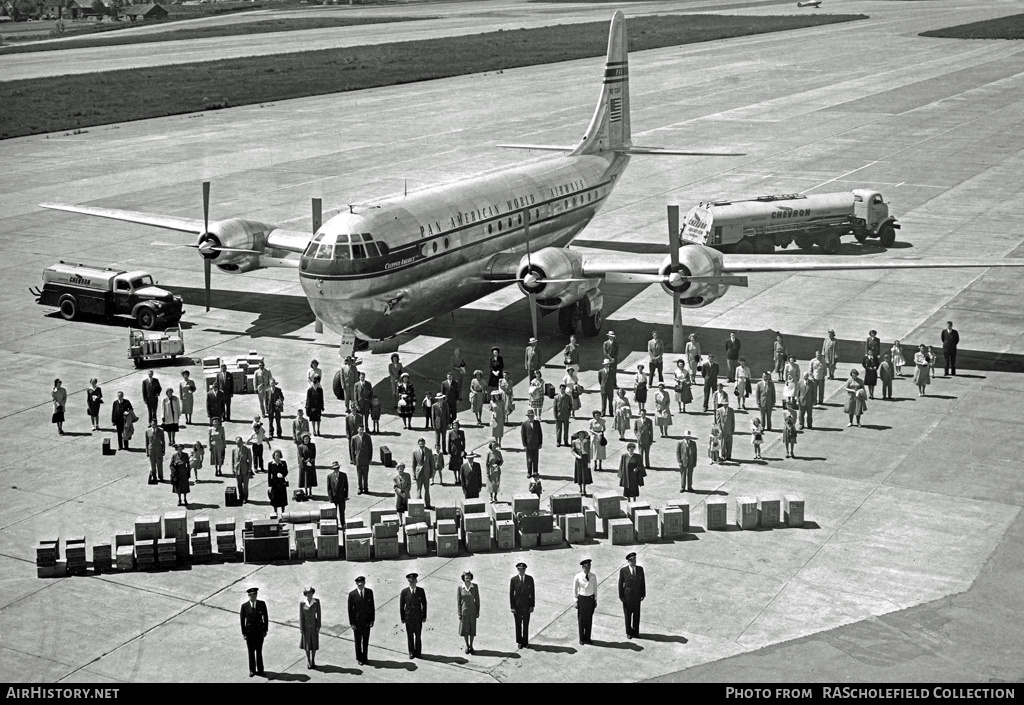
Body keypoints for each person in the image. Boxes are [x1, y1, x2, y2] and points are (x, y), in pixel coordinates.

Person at [240, 587, 268, 677]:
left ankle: (260, 670)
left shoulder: (262, 604)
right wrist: (244, 633)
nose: (253, 597)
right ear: (249, 596)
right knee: (251, 652)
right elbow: (242, 621)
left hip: (259, 632)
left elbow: (265, 618)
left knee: (259, 652)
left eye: (255, 595)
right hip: (250, 633)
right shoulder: (244, 606)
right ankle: (252, 670)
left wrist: (265, 630)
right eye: (252, 595)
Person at [618, 552, 646, 639]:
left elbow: (642, 582)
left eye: (635, 560)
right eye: (632, 560)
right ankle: (629, 632)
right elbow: (620, 584)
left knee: (637, 614)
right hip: (627, 596)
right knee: (628, 614)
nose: (634, 562)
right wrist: (621, 596)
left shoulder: (640, 569)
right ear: (629, 562)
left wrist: (643, 594)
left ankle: (636, 632)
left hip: (637, 596)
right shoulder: (623, 571)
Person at [348, 576, 375, 666]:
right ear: (356, 584)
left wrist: (372, 620)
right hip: (357, 622)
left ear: (364, 583)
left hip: (366, 621)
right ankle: (359, 658)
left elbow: (372, 606)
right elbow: (350, 610)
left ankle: (365, 657)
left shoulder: (369, 592)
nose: (360, 586)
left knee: (366, 640)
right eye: (359, 585)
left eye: (362, 584)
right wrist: (352, 623)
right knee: (358, 641)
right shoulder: (352, 594)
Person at [400, 573, 427, 659]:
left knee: (418, 636)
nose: (412, 583)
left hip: (418, 617)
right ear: (408, 582)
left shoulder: (420, 591)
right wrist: (403, 617)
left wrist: (424, 616)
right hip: (409, 618)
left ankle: (418, 652)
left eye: (414, 581)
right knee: (410, 636)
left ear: (416, 581)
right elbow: (402, 605)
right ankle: (411, 652)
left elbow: (424, 604)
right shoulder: (404, 592)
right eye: (410, 582)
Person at [510, 562, 535, 649]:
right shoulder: (513, 580)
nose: (522, 571)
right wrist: (512, 607)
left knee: (526, 624)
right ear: (517, 570)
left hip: (527, 606)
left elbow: (532, 593)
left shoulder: (530, 579)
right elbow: (511, 594)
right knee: (518, 624)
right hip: (517, 606)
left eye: (523, 569)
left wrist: (532, 605)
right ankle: (520, 642)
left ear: (525, 570)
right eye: (520, 570)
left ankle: (525, 641)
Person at [573, 559, 597, 645]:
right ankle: (582, 638)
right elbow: (575, 589)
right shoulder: (578, 576)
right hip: (582, 599)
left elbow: (595, 588)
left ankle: (588, 638)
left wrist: (595, 600)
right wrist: (576, 600)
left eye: (589, 567)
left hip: (590, 599)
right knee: (581, 620)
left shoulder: (593, 576)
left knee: (589, 619)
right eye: (586, 567)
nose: (588, 569)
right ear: (583, 567)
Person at [457, 571, 481, 654]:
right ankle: (467, 645)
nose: (468, 579)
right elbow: (458, 602)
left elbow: (477, 600)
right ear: (463, 578)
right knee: (465, 630)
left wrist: (477, 611)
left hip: (473, 612)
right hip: (464, 612)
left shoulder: (475, 587)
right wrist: (459, 613)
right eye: (466, 578)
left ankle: (471, 645)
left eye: (469, 577)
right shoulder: (460, 588)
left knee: (472, 630)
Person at [299, 586, 321, 669]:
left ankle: (313, 660)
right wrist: (301, 628)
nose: (309, 595)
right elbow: (301, 616)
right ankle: (308, 660)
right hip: (306, 627)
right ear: (305, 594)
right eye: (307, 594)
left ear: (312, 593)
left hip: (314, 626)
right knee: (307, 645)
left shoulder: (316, 602)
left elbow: (319, 615)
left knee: (314, 644)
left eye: (310, 593)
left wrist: (318, 626)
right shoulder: (302, 603)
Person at [521, 409, 543, 477]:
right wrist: (524, 444)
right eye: (530, 416)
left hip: (536, 444)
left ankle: (535, 471)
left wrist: (540, 443)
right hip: (528, 444)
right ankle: (529, 472)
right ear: (528, 416)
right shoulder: (524, 424)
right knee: (529, 459)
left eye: (532, 416)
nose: (531, 417)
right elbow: (523, 435)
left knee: (535, 458)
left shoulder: (537, 423)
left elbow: (540, 433)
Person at [412, 437, 435, 501]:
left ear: (424, 444)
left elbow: (431, 462)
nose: (421, 446)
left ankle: (428, 503)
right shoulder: (415, 452)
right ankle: (419, 503)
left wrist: (431, 473)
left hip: (426, 473)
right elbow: (413, 464)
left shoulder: (429, 451)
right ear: (418, 444)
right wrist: (414, 474)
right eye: (420, 445)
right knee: (419, 489)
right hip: (418, 473)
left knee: (427, 489)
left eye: (422, 445)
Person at [570, 430, 593, 496]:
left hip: (585, 458)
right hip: (579, 459)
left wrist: (589, 462)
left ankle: (584, 490)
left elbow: (589, 451)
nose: (581, 436)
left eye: (582, 434)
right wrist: (577, 456)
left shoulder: (587, 442)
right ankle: (580, 489)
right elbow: (572, 450)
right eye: (580, 434)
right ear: (578, 435)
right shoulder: (575, 442)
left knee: (585, 475)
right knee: (579, 474)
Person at [233, 436, 254, 503]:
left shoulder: (247, 449)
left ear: (242, 442)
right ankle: (240, 497)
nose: (238, 444)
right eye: (237, 443)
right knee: (239, 484)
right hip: (237, 470)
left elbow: (250, 460)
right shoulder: (234, 450)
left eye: (239, 443)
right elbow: (233, 461)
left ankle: (245, 498)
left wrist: (249, 469)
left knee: (245, 485)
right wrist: (233, 469)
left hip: (245, 470)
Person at [268, 449, 289, 516]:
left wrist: (282, 475)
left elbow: (286, 471)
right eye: (276, 455)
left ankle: (283, 513)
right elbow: (269, 475)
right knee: (274, 499)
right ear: (274, 456)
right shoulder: (270, 464)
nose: (277, 457)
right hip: (274, 483)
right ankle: (275, 513)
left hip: (282, 483)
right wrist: (270, 485)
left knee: (283, 499)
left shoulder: (283, 463)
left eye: (278, 456)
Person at [715, 393, 735, 461]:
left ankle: (729, 455)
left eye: (727, 403)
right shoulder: (719, 410)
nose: (726, 405)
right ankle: (723, 455)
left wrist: (733, 429)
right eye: (725, 404)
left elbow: (733, 420)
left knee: (729, 443)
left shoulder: (731, 410)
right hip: (723, 430)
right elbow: (718, 421)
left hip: (729, 429)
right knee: (723, 443)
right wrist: (720, 430)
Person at [353, 426, 373, 497]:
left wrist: (370, 458)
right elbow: (352, 450)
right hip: (358, 459)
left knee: (365, 474)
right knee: (359, 474)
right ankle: (360, 488)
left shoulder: (367, 437)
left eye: (362, 429)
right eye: (360, 429)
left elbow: (370, 448)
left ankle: (365, 488)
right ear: (357, 430)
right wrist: (353, 460)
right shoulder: (354, 438)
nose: (361, 431)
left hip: (365, 459)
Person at [145, 419, 166, 484]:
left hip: (158, 449)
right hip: (151, 449)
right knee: (152, 464)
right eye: (153, 424)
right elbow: (147, 442)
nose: (154, 425)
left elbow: (163, 441)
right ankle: (154, 477)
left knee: (159, 464)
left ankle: (161, 477)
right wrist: (147, 451)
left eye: (155, 424)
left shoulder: (161, 431)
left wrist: (163, 450)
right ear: (151, 424)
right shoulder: (147, 431)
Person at [446, 420, 466, 485]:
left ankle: (459, 478)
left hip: (459, 450)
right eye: (454, 425)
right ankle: (455, 478)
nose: (455, 426)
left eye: (456, 425)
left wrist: (463, 450)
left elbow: (463, 442)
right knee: (454, 466)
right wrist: (449, 453)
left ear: (458, 426)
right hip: (453, 451)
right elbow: (449, 443)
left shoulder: (461, 432)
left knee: (459, 465)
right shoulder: (450, 433)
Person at [297, 432, 316, 499]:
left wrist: (310, 461)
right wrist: (305, 462)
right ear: (303, 440)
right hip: (304, 466)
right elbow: (300, 456)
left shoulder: (312, 445)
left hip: (310, 464)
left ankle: (310, 491)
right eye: (305, 439)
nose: (306, 440)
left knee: (311, 479)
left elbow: (313, 455)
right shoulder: (300, 447)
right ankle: (306, 492)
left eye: (307, 439)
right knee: (305, 479)